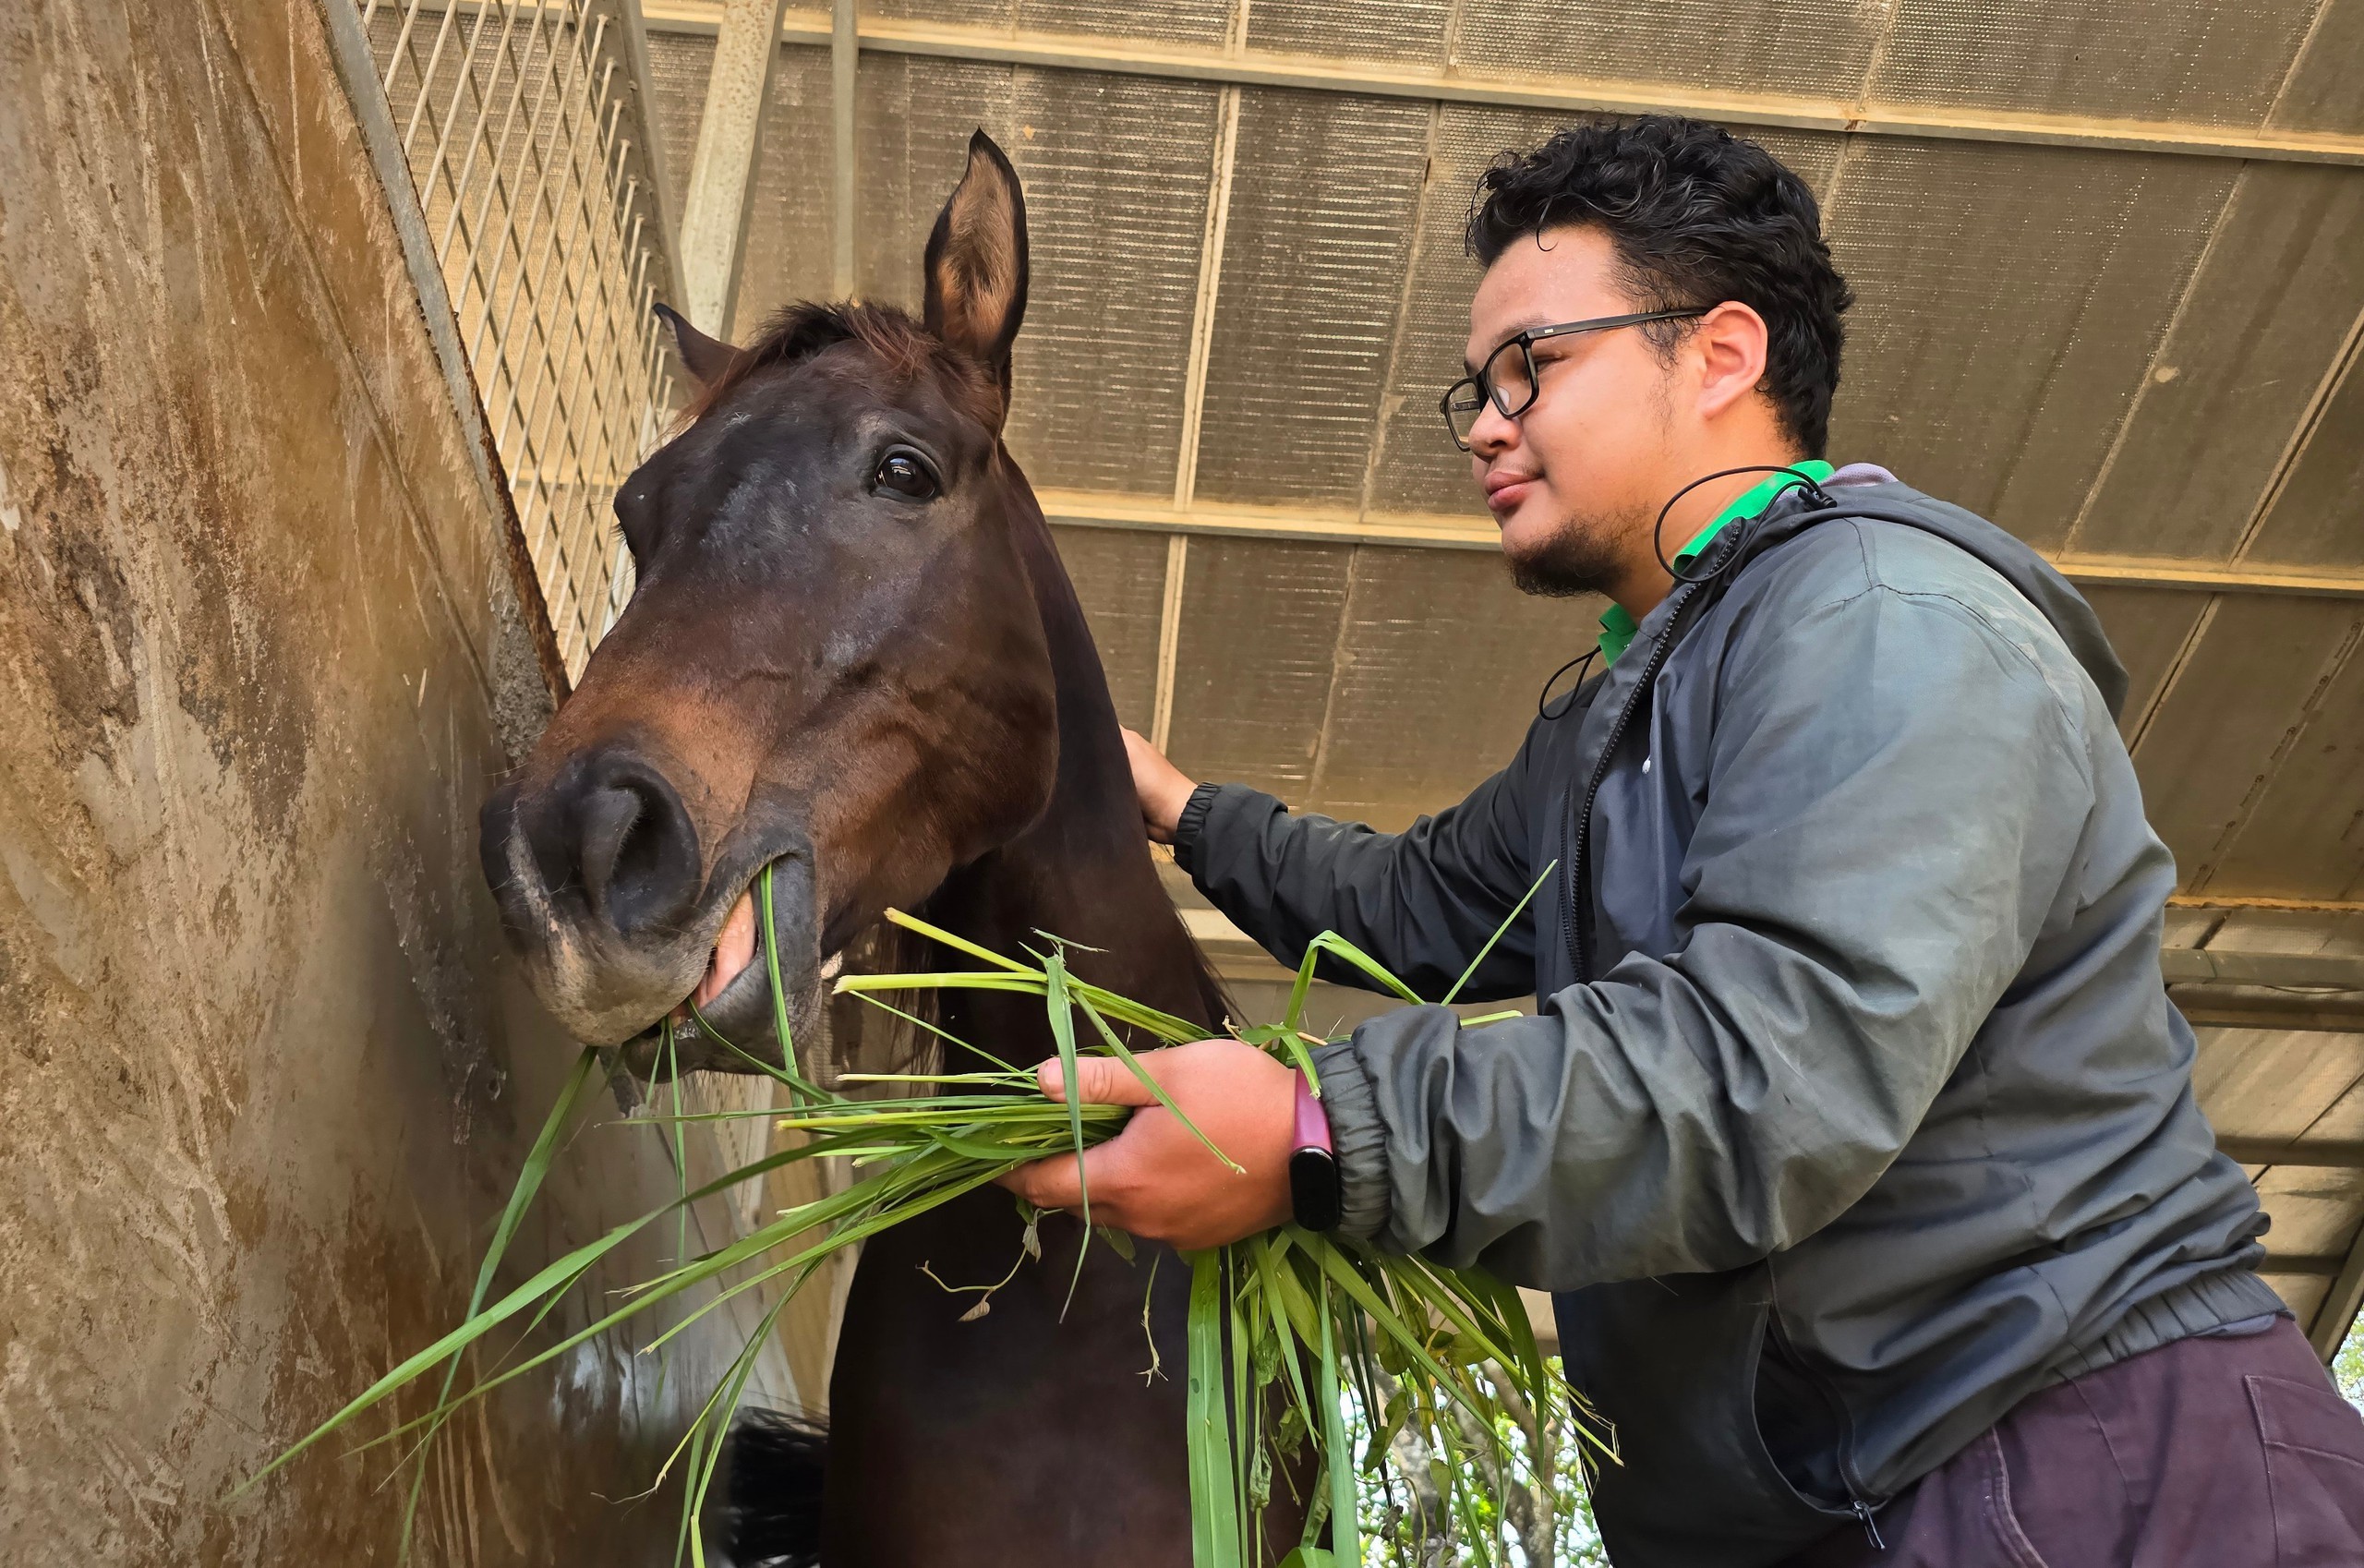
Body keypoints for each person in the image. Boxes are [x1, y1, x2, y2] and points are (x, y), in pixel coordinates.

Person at [1000, 116, 2364, 1564]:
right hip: (1844, 1495)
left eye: (1534, 361)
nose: (1483, 418)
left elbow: (1778, 1070)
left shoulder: (1886, 620)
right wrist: (1176, 804)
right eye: (1479, 380)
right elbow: (1417, 905)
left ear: (1722, 353)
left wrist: (1322, 1129)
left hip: (2082, 1459)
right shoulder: (1618, 719)